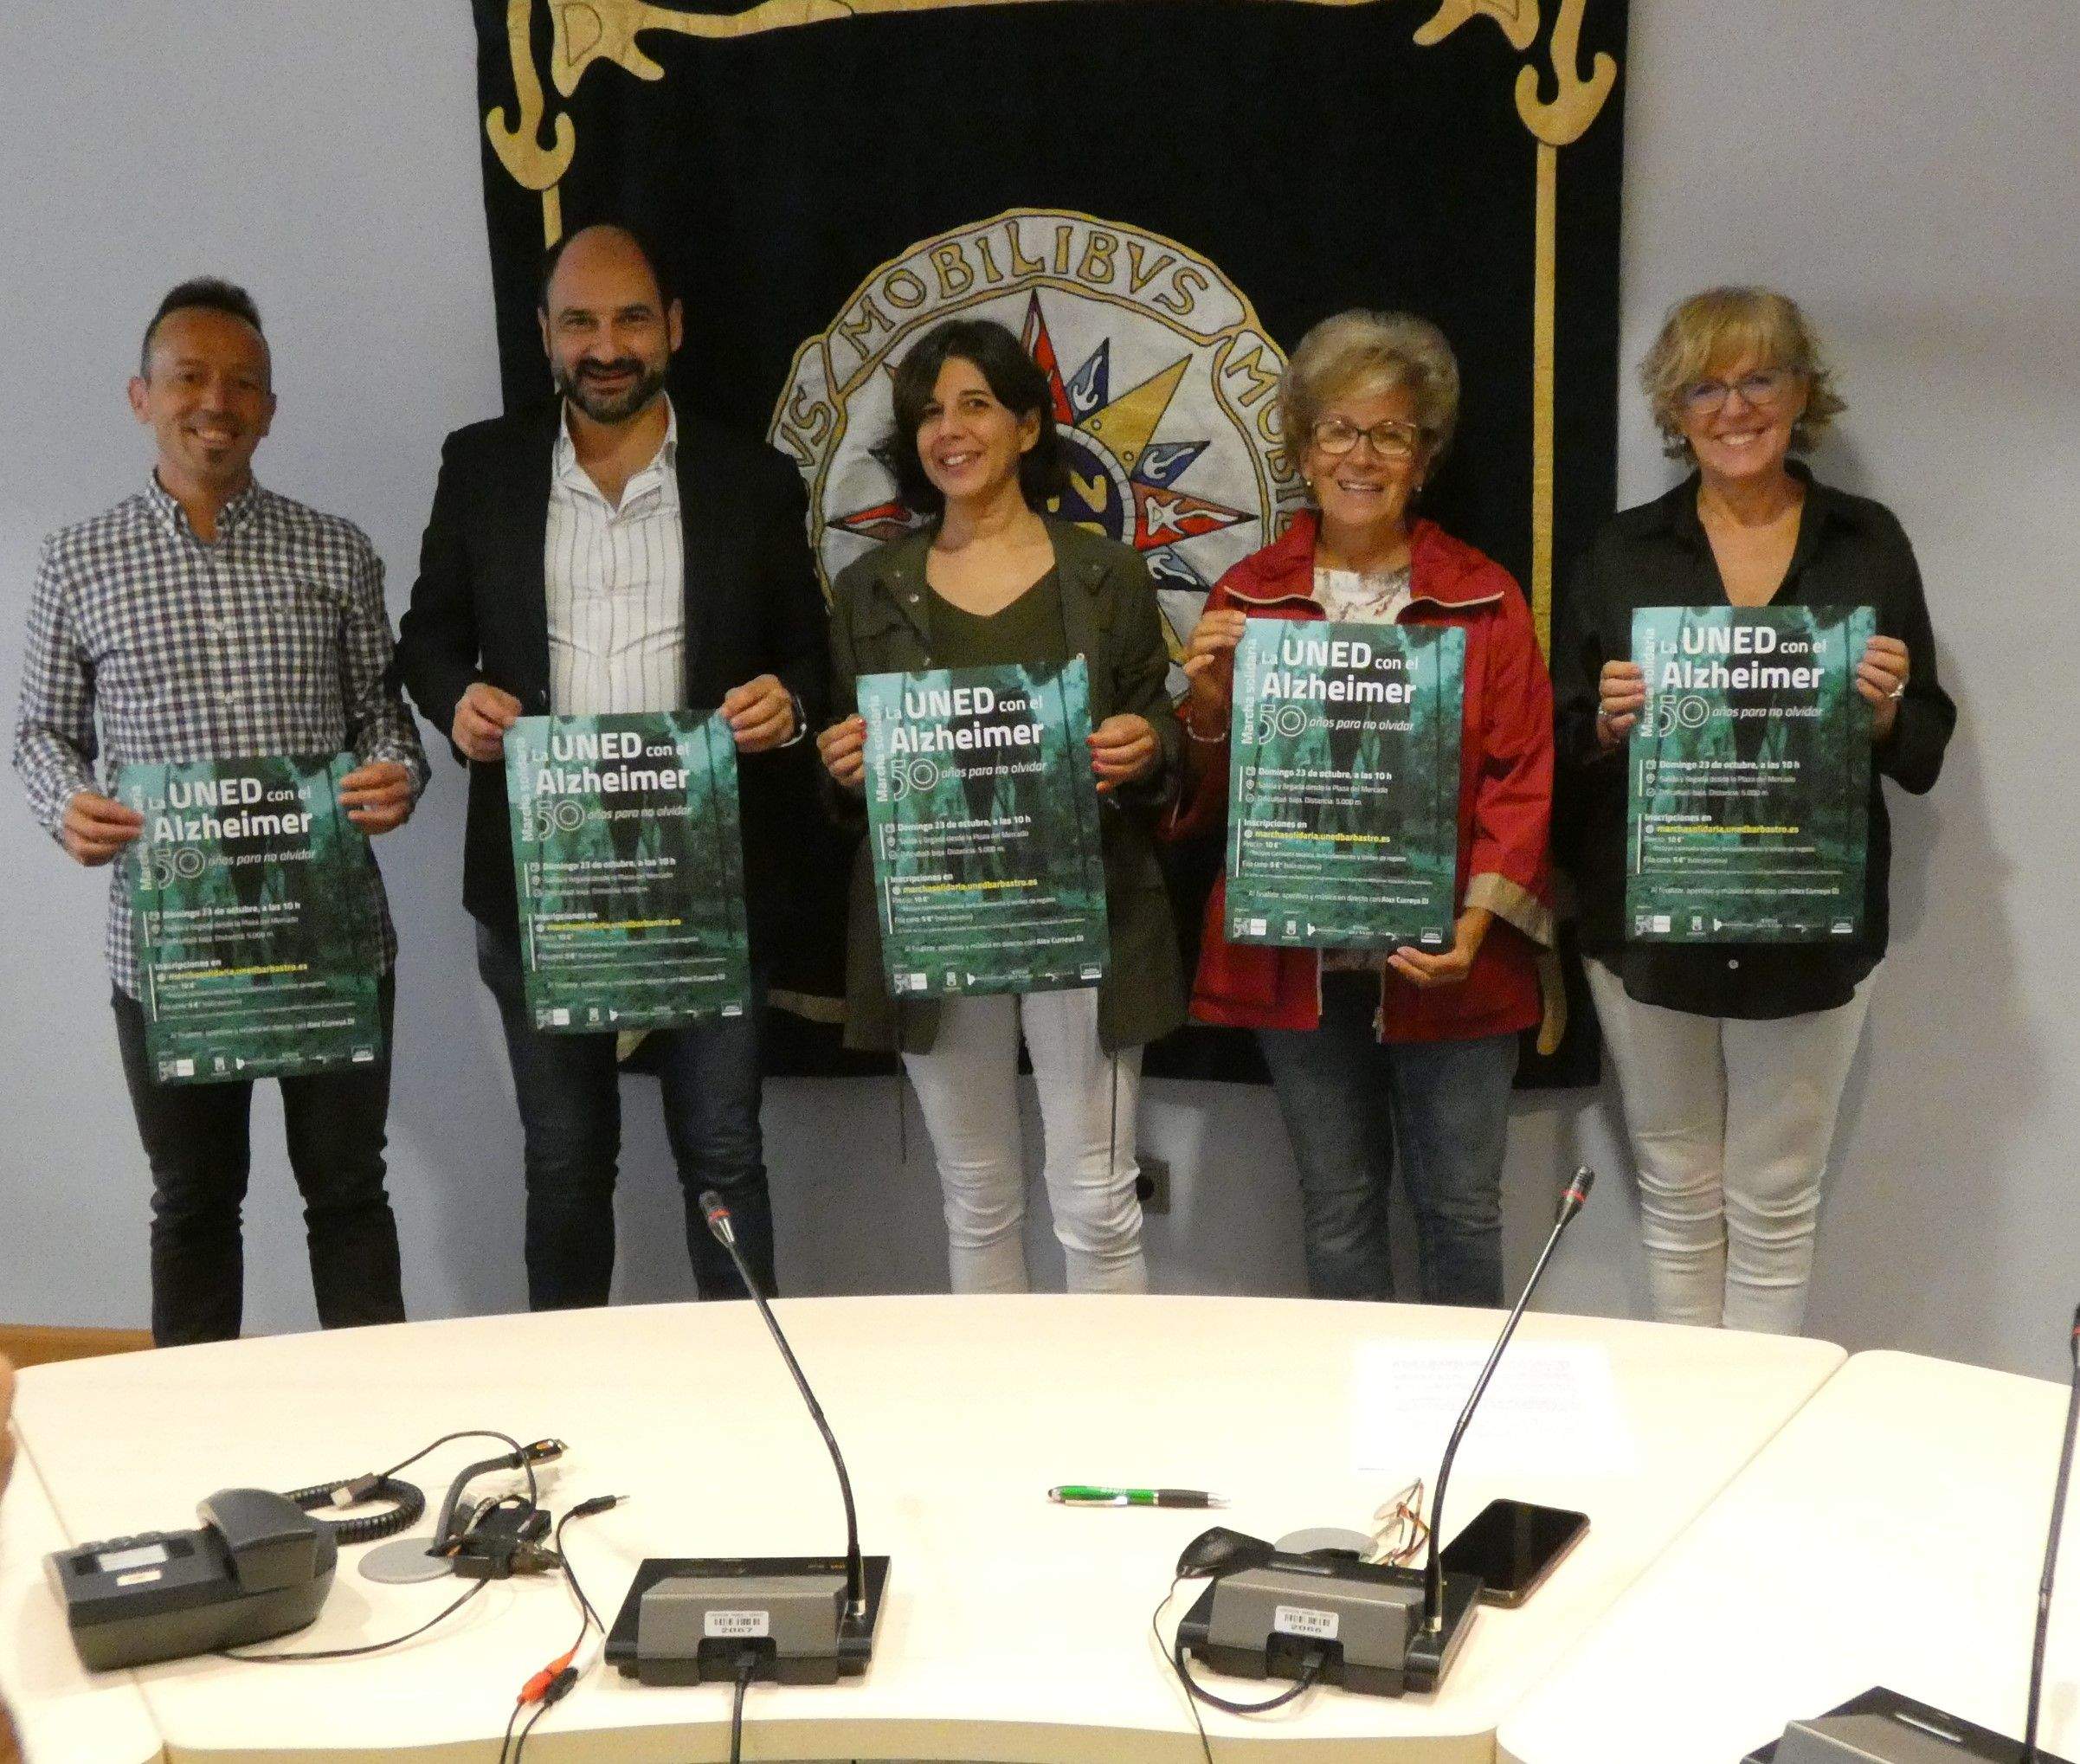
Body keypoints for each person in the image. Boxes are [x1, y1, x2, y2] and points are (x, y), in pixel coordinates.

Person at [396, 223, 828, 1310]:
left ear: (673, 328)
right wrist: (457, 699)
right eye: (580, 321)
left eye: (631, 317)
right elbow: (429, 637)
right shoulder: (481, 466)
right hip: (543, 883)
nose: (606, 344)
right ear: (543, 334)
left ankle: (747, 1396)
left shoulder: (756, 481)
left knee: (724, 1154)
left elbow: (809, 653)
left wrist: (793, 700)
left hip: (709, 880)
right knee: (565, 1162)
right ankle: (562, 1411)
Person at [12, 280, 426, 1346]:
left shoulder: (336, 550)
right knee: (194, 1207)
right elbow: (41, 734)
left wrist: (393, 774)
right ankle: (194, 1452)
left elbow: (385, 718)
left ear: (272, 408)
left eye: (243, 382)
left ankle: (389, 1428)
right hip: (171, 951)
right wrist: (69, 806)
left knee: (348, 1197)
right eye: (190, 377)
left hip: (327, 940)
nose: (216, 401)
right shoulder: (76, 558)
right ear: (140, 396)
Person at [1552, 286, 1954, 1335]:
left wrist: (1880, 715)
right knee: (1678, 1200)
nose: (1734, 408)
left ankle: (1756, 1458)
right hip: (1650, 923)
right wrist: (1606, 722)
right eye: (1705, 386)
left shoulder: (1868, 543)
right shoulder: (1622, 550)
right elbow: (1554, 746)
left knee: (1776, 1208)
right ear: (1674, 410)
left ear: (1800, 392)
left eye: (1759, 379)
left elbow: (1926, 748)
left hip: (1805, 922)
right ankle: (1698, 1445)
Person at [1172, 310, 1553, 1308]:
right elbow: (1207, 806)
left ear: (1424, 459)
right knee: (1338, 1205)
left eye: (1391, 434)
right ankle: (1355, 1437)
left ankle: (1463, 1440)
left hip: (1451, 961)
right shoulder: (1248, 598)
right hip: (1300, 968)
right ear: (1303, 450)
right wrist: (1207, 713)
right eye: (1339, 430)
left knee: (1462, 1208)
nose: (1362, 455)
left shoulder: (1485, 597)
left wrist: (1476, 924)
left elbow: (1522, 773)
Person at [817, 318, 1184, 1293]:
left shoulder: (1106, 575)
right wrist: (842, 766)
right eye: (929, 412)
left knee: (1097, 1198)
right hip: (941, 924)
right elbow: (847, 773)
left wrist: (1148, 746)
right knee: (976, 1197)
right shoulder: (870, 590)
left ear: (1028, 425)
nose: (950, 430)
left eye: (975, 404)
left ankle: (1109, 1438)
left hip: (1085, 913)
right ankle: (1003, 1436)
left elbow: (1162, 726)